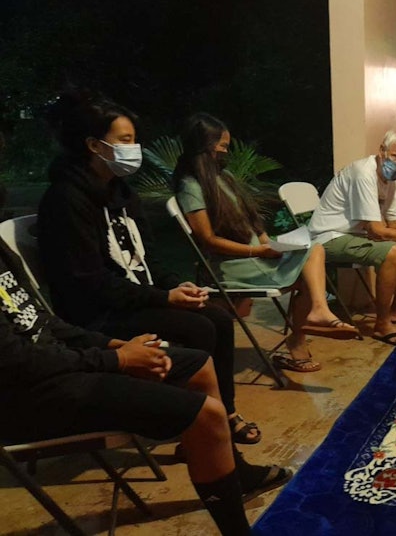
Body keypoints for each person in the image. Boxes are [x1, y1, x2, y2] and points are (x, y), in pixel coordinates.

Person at [0, 227, 285, 535]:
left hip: (57, 367)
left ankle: (234, 473)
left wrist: (116, 346)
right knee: (206, 414)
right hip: (25, 397)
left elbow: (47, 324)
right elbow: (14, 362)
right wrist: (117, 360)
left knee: (198, 364)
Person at [37, 90, 263, 445]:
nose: (134, 148)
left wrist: (178, 286)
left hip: (133, 297)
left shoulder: (122, 193)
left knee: (216, 316)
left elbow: (148, 261)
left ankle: (221, 414)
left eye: (134, 140)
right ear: (95, 146)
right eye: (125, 140)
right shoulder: (66, 200)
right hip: (99, 312)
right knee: (197, 327)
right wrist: (163, 298)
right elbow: (89, 281)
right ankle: (198, 425)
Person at [172, 113, 359, 374]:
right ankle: (303, 333)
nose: (227, 152)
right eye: (223, 146)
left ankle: (315, 314)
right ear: (205, 147)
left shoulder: (224, 179)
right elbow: (208, 240)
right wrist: (257, 250)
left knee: (313, 249)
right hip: (235, 265)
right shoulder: (190, 186)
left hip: (256, 256)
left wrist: (268, 243)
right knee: (310, 269)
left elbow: (250, 222)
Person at [308, 130, 396, 345]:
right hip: (329, 236)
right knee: (392, 252)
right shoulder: (364, 173)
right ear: (382, 151)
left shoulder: (391, 177)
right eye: (395, 157)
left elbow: (394, 221)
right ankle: (382, 325)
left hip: (354, 234)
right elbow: (376, 230)